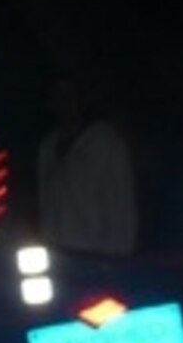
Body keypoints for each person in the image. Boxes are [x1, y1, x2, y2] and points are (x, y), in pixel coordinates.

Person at [37, 73, 139, 258]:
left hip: (96, 258)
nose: (64, 101)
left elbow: (121, 208)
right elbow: (45, 204)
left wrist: (116, 260)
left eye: (69, 94)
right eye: (57, 94)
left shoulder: (105, 142)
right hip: (57, 259)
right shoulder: (47, 147)